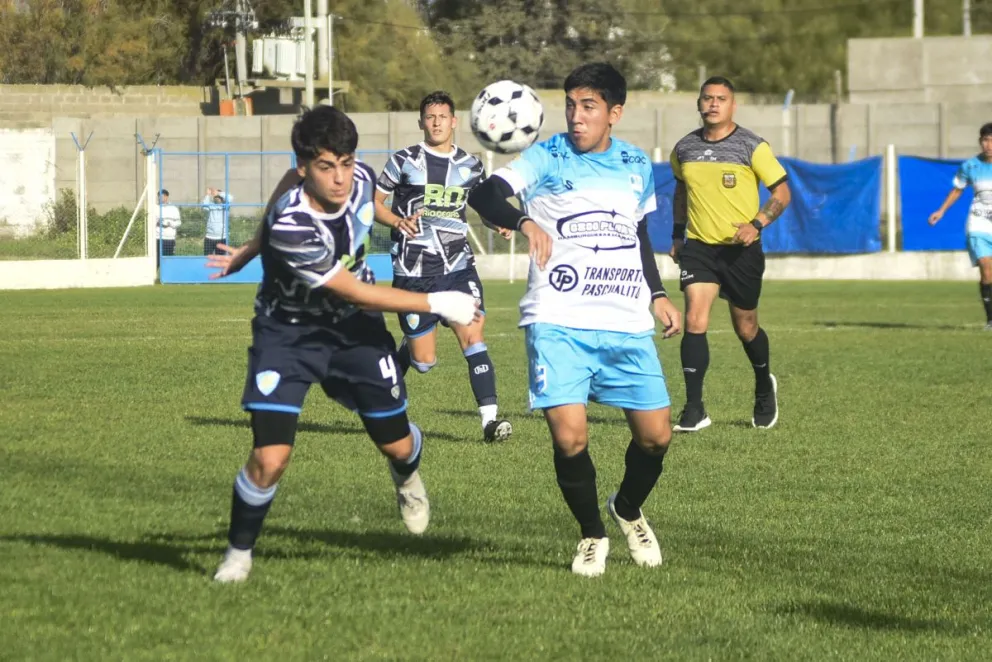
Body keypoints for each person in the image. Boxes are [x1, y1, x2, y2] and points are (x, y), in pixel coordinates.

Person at [206, 106, 480, 583]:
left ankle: (408, 479)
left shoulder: (360, 178)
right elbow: (352, 289)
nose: (340, 178)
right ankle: (238, 553)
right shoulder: (293, 226)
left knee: (396, 445)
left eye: (347, 163)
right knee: (271, 457)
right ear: (303, 168)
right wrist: (436, 301)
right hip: (288, 334)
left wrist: (250, 247)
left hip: (355, 331)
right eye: (326, 167)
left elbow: (362, 203)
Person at [468, 62, 682, 577]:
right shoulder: (545, 155)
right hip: (557, 317)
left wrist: (657, 294)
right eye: (570, 105)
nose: (576, 116)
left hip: (626, 318)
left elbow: (638, 236)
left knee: (656, 437)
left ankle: (626, 508)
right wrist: (521, 218)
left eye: (588, 106)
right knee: (570, 439)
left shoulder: (635, 162)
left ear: (615, 113)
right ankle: (592, 534)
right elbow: (483, 194)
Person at [374, 91, 514, 443]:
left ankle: (490, 421)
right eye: (430, 116)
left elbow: (481, 203)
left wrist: (496, 221)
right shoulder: (403, 160)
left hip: (457, 267)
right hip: (413, 272)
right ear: (421, 121)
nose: (436, 122)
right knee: (424, 362)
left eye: (442, 116)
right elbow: (373, 202)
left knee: (473, 334)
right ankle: (398, 363)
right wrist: (395, 220)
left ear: (454, 121)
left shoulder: (471, 165)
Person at [668, 76, 792, 433]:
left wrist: (757, 223)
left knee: (746, 326)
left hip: (742, 251)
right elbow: (681, 191)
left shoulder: (752, 146)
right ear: (699, 103)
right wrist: (678, 235)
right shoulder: (684, 149)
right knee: (695, 319)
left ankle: (763, 386)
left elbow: (781, 193)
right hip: (700, 248)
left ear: (732, 105)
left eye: (721, 99)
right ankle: (694, 410)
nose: (713, 104)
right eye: (707, 98)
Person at [928, 122, 992, 331]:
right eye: (985, 140)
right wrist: (941, 210)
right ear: (980, 142)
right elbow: (957, 190)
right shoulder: (970, 166)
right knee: (986, 267)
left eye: (991, 140)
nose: (988, 145)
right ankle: (991, 320)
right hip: (979, 222)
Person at [202, 187, 231, 255]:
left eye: (219, 196)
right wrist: (208, 195)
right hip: (209, 237)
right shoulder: (211, 205)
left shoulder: (225, 206)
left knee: (220, 259)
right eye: (216, 196)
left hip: (222, 237)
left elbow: (230, 197)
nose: (217, 198)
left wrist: (218, 193)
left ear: (222, 198)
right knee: (207, 258)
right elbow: (204, 206)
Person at [156, 189, 181, 262]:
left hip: (169, 238)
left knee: (168, 260)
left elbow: (178, 222)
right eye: (159, 196)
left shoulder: (173, 208)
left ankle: (168, 273)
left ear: (167, 197)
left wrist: (170, 224)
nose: (160, 198)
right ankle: (155, 273)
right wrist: (157, 223)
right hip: (158, 237)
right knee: (156, 260)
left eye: (162, 196)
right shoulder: (155, 208)